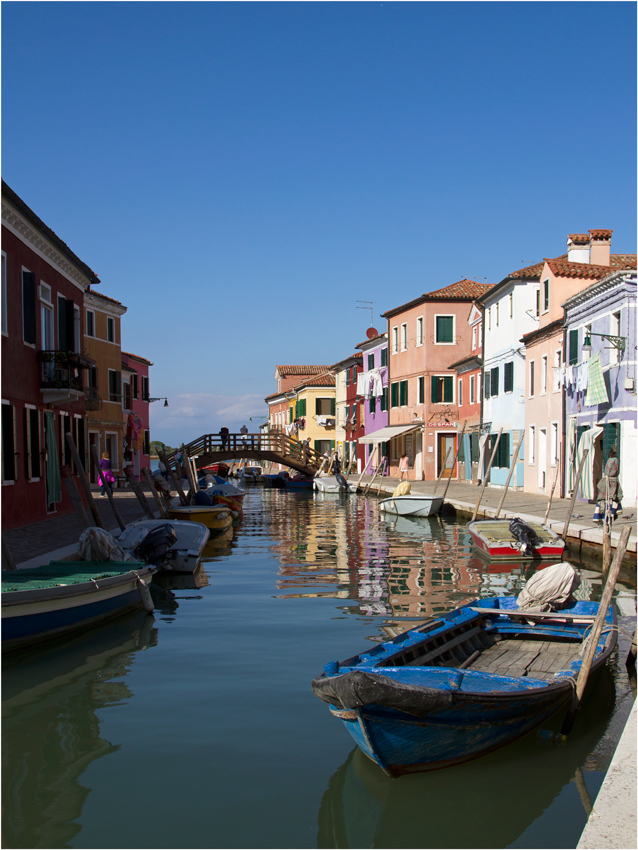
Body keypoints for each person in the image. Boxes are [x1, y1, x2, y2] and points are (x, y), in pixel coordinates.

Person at [593, 449, 623, 523]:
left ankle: (605, 516)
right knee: (610, 500)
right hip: (610, 482)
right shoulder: (615, 461)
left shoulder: (611, 461)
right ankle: (611, 514)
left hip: (610, 482)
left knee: (607, 501)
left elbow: (609, 473)